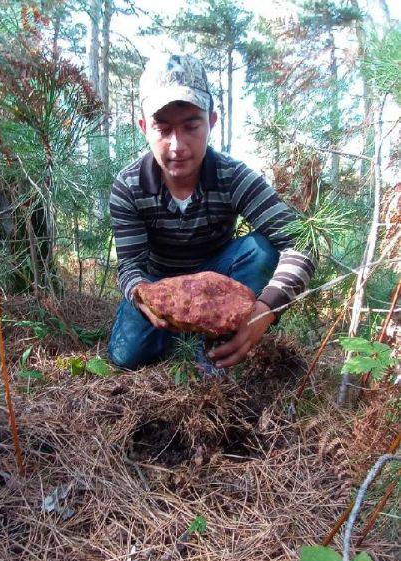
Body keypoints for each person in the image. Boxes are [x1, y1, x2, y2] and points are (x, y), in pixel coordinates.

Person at [108, 53, 315, 371]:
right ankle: (177, 338)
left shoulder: (231, 176)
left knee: (260, 249)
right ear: (143, 128)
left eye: (191, 126)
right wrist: (140, 295)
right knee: (125, 357)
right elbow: (130, 267)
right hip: (159, 284)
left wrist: (266, 310)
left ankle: (217, 351)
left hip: (218, 284)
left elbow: (303, 241)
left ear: (212, 122)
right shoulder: (130, 186)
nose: (177, 145)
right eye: (162, 129)